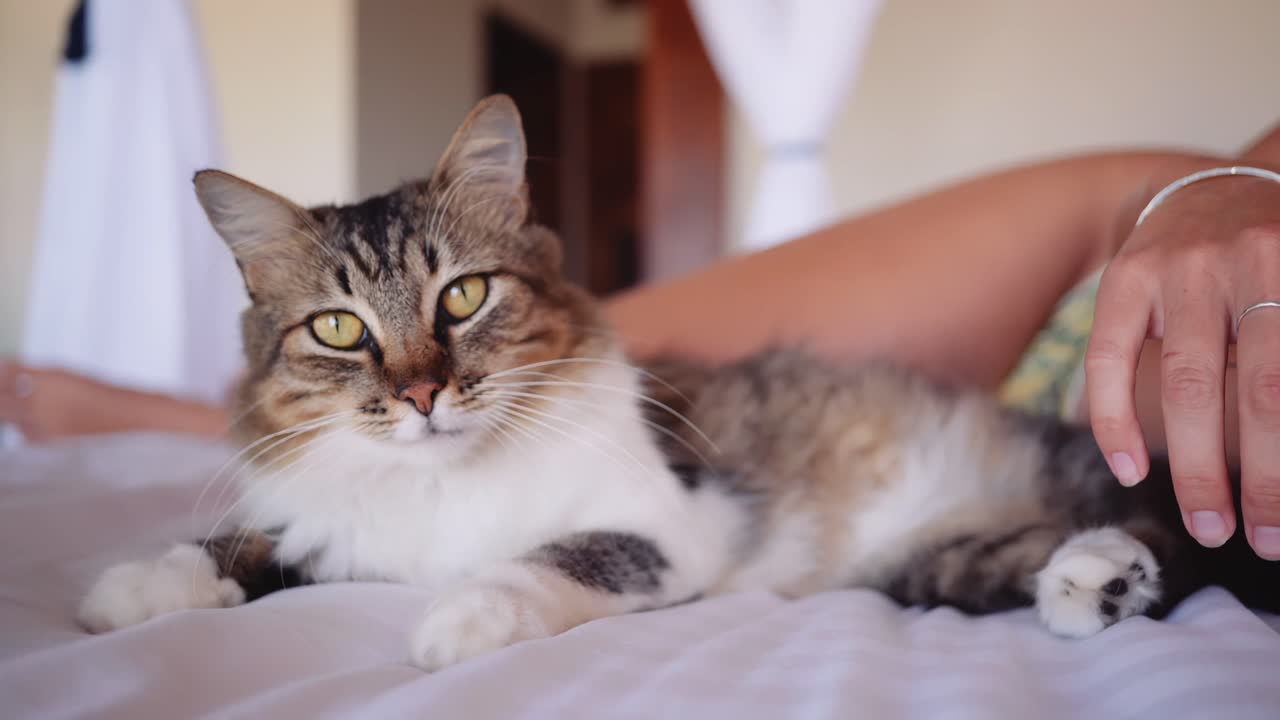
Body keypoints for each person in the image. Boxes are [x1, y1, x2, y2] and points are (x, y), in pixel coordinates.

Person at [4, 122, 1280, 560]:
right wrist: (1231, 185)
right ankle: (204, 421)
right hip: (1124, 277)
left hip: (1046, 487)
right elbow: (1164, 194)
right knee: (623, 372)